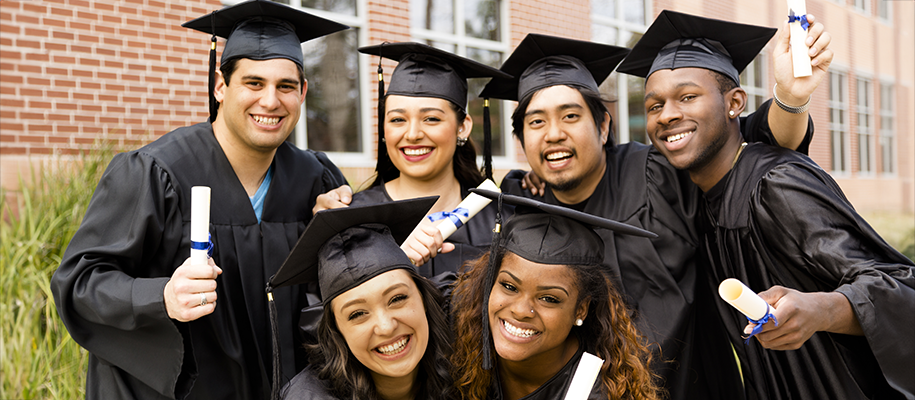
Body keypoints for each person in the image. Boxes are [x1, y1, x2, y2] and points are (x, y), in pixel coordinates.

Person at [482, 27, 830, 399]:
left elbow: (746, 143)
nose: (553, 134)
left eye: (570, 117)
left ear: (602, 127)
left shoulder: (658, 174)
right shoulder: (521, 205)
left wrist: (791, 99)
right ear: (520, 140)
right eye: (536, 122)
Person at [50, 1, 350, 398]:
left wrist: (338, 235)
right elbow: (79, 282)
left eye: (286, 86)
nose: (271, 101)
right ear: (220, 86)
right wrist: (162, 296)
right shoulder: (156, 172)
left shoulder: (316, 179)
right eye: (254, 83)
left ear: (303, 93)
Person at [617, 10, 915, 400]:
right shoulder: (700, 195)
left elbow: (900, 284)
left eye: (688, 97)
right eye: (654, 106)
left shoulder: (776, 183)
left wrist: (822, 309)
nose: (668, 114)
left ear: (734, 103)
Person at [318, 43, 510, 276]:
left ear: (463, 127)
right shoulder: (354, 219)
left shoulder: (502, 219)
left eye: (430, 119)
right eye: (398, 120)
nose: (412, 134)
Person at [450, 191, 662, 400]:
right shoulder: (453, 338)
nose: (521, 310)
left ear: (581, 309)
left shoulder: (600, 392)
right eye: (509, 286)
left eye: (549, 299)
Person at [267, 198, 454, 400]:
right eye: (357, 314)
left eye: (397, 298)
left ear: (424, 299)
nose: (386, 327)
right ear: (336, 331)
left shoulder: (466, 369)